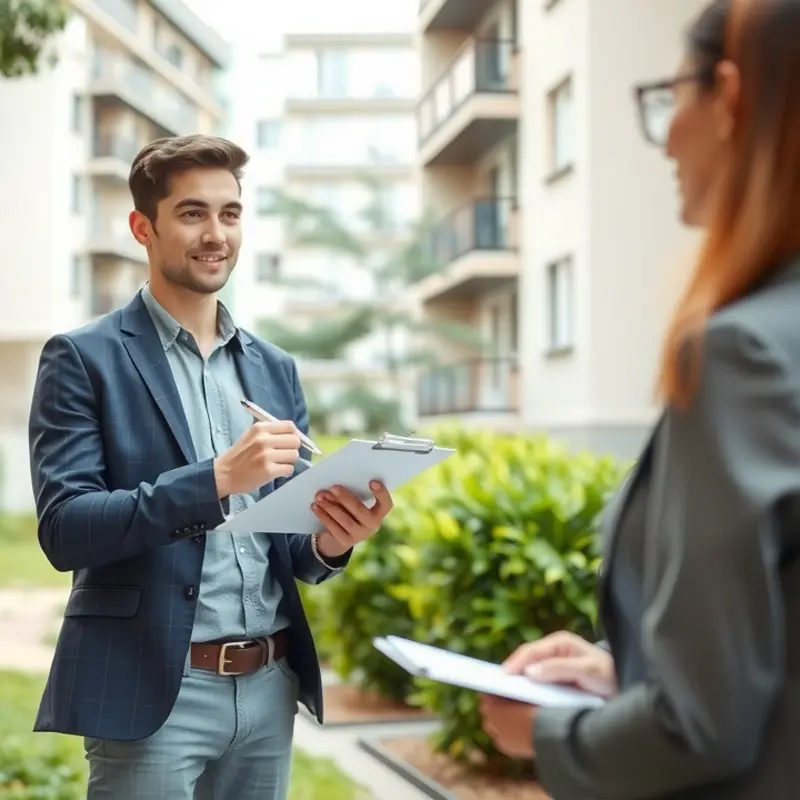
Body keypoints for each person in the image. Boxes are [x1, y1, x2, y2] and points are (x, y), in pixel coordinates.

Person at [479, 0, 800, 797]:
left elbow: (701, 730)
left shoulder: (742, 354)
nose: (664, 138)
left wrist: (545, 729)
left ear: (728, 98)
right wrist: (630, 673)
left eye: (671, 96)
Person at [28, 134, 394, 800]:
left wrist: (332, 540)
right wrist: (215, 480)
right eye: (193, 213)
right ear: (144, 226)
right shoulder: (83, 359)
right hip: (153, 692)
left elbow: (288, 548)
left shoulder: (273, 368)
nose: (216, 233)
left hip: (267, 688)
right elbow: (64, 528)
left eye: (230, 213)